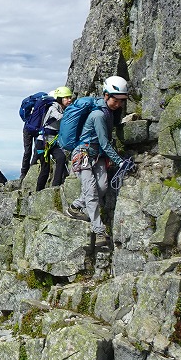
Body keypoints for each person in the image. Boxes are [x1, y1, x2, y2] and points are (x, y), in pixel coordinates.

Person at [66, 76, 129, 248]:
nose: (119, 104)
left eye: (122, 101)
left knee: (102, 187)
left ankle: (74, 207)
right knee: (92, 191)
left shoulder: (109, 113)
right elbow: (104, 143)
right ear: (106, 95)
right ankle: (100, 231)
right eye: (116, 100)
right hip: (83, 154)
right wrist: (120, 162)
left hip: (97, 156)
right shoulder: (99, 115)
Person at [35, 86, 74, 191]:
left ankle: (55, 185)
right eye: (66, 98)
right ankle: (38, 191)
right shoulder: (53, 107)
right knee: (45, 169)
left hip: (52, 142)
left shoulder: (63, 108)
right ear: (60, 98)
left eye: (70, 97)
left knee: (61, 158)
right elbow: (59, 117)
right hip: (43, 142)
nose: (69, 100)